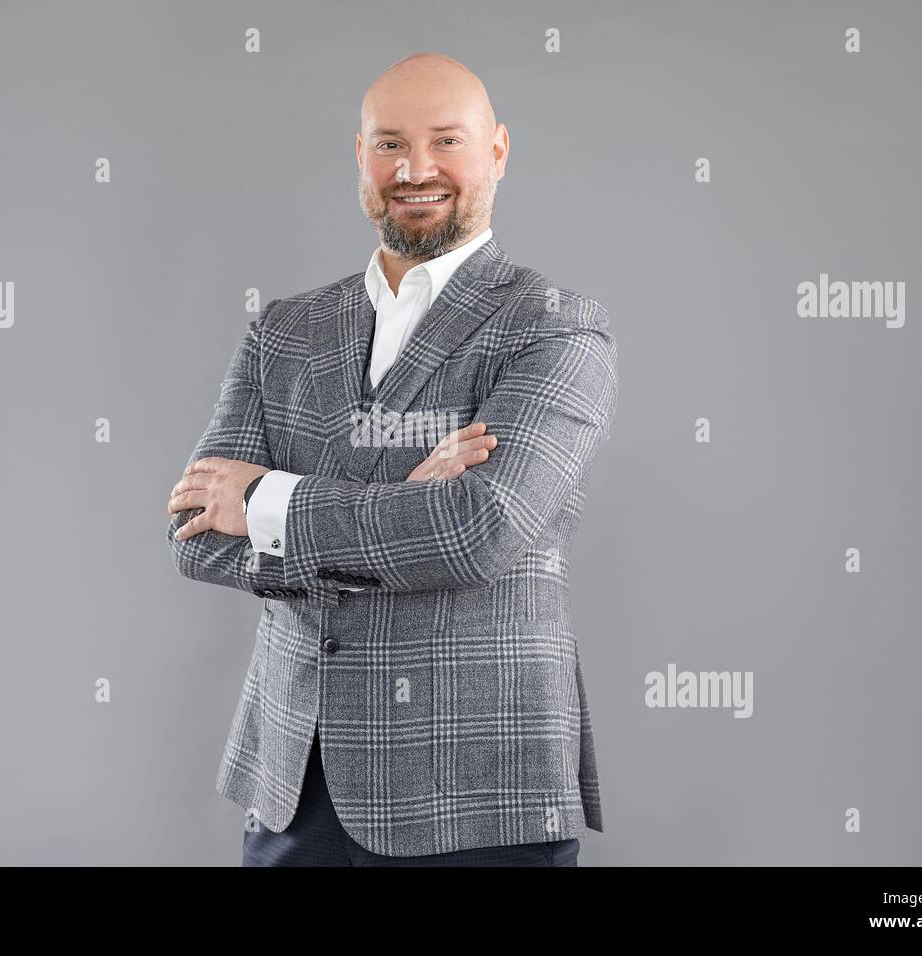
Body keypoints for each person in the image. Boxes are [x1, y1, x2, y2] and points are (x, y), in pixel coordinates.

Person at [166, 52, 617, 866]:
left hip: (481, 785)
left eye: (447, 140)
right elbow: (196, 534)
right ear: (361, 158)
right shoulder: (285, 329)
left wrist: (268, 501)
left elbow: (475, 532)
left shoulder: (554, 327)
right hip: (297, 777)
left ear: (499, 151)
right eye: (388, 144)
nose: (415, 169)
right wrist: (400, 506)